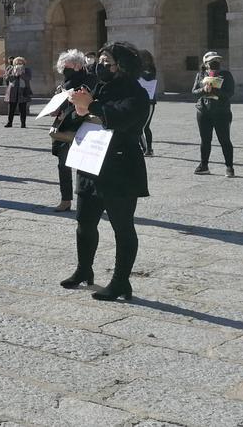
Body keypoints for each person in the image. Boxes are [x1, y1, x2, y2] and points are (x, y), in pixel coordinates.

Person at [61, 42, 150, 301]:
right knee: (84, 222)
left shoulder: (135, 93)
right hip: (91, 163)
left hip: (121, 167)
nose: (100, 67)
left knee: (122, 227)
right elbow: (81, 117)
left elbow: (121, 118)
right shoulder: (99, 88)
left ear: (122, 67)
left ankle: (120, 282)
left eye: (106, 63)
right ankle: (83, 269)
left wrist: (90, 106)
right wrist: (74, 105)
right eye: (98, 62)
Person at [49, 49, 94, 212]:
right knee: (63, 165)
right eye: (62, 67)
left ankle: (90, 200)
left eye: (66, 66)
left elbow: (88, 103)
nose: (63, 70)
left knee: (87, 166)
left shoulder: (90, 80)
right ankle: (65, 199)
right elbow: (61, 102)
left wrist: (71, 111)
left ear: (77, 65)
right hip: (64, 127)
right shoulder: (66, 82)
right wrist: (55, 108)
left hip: (82, 125)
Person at [192, 51, 236, 177]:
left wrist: (217, 91)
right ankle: (204, 165)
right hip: (203, 111)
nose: (214, 64)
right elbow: (194, 92)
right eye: (211, 62)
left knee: (224, 139)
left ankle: (229, 167)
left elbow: (230, 93)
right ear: (206, 64)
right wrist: (203, 90)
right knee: (205, 140)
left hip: (221, 111)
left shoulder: (226, 75)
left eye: (216, 61)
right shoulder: (200, 75)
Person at [4, 56, 33, 128]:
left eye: (21, 62)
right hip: (13, 91)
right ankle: (9, 122)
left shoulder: (27, 70)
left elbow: (28, 78)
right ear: (14, 63)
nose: (19, 64)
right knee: (11, 108)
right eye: (17, 62)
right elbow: (7, 78)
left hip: (23, 90)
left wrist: (21, 74)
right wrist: (15, 74)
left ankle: (23, 123)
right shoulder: (10, 69)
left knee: (23, 108)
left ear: (23, 63)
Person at [138, 49, 157, 157]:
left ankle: (148, 149)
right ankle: (146, 148)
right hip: (140, 100)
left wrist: (138, 70)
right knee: (141, 126)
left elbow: (148, 77)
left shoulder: (151, 69)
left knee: (144, 126)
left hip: (149, 101)